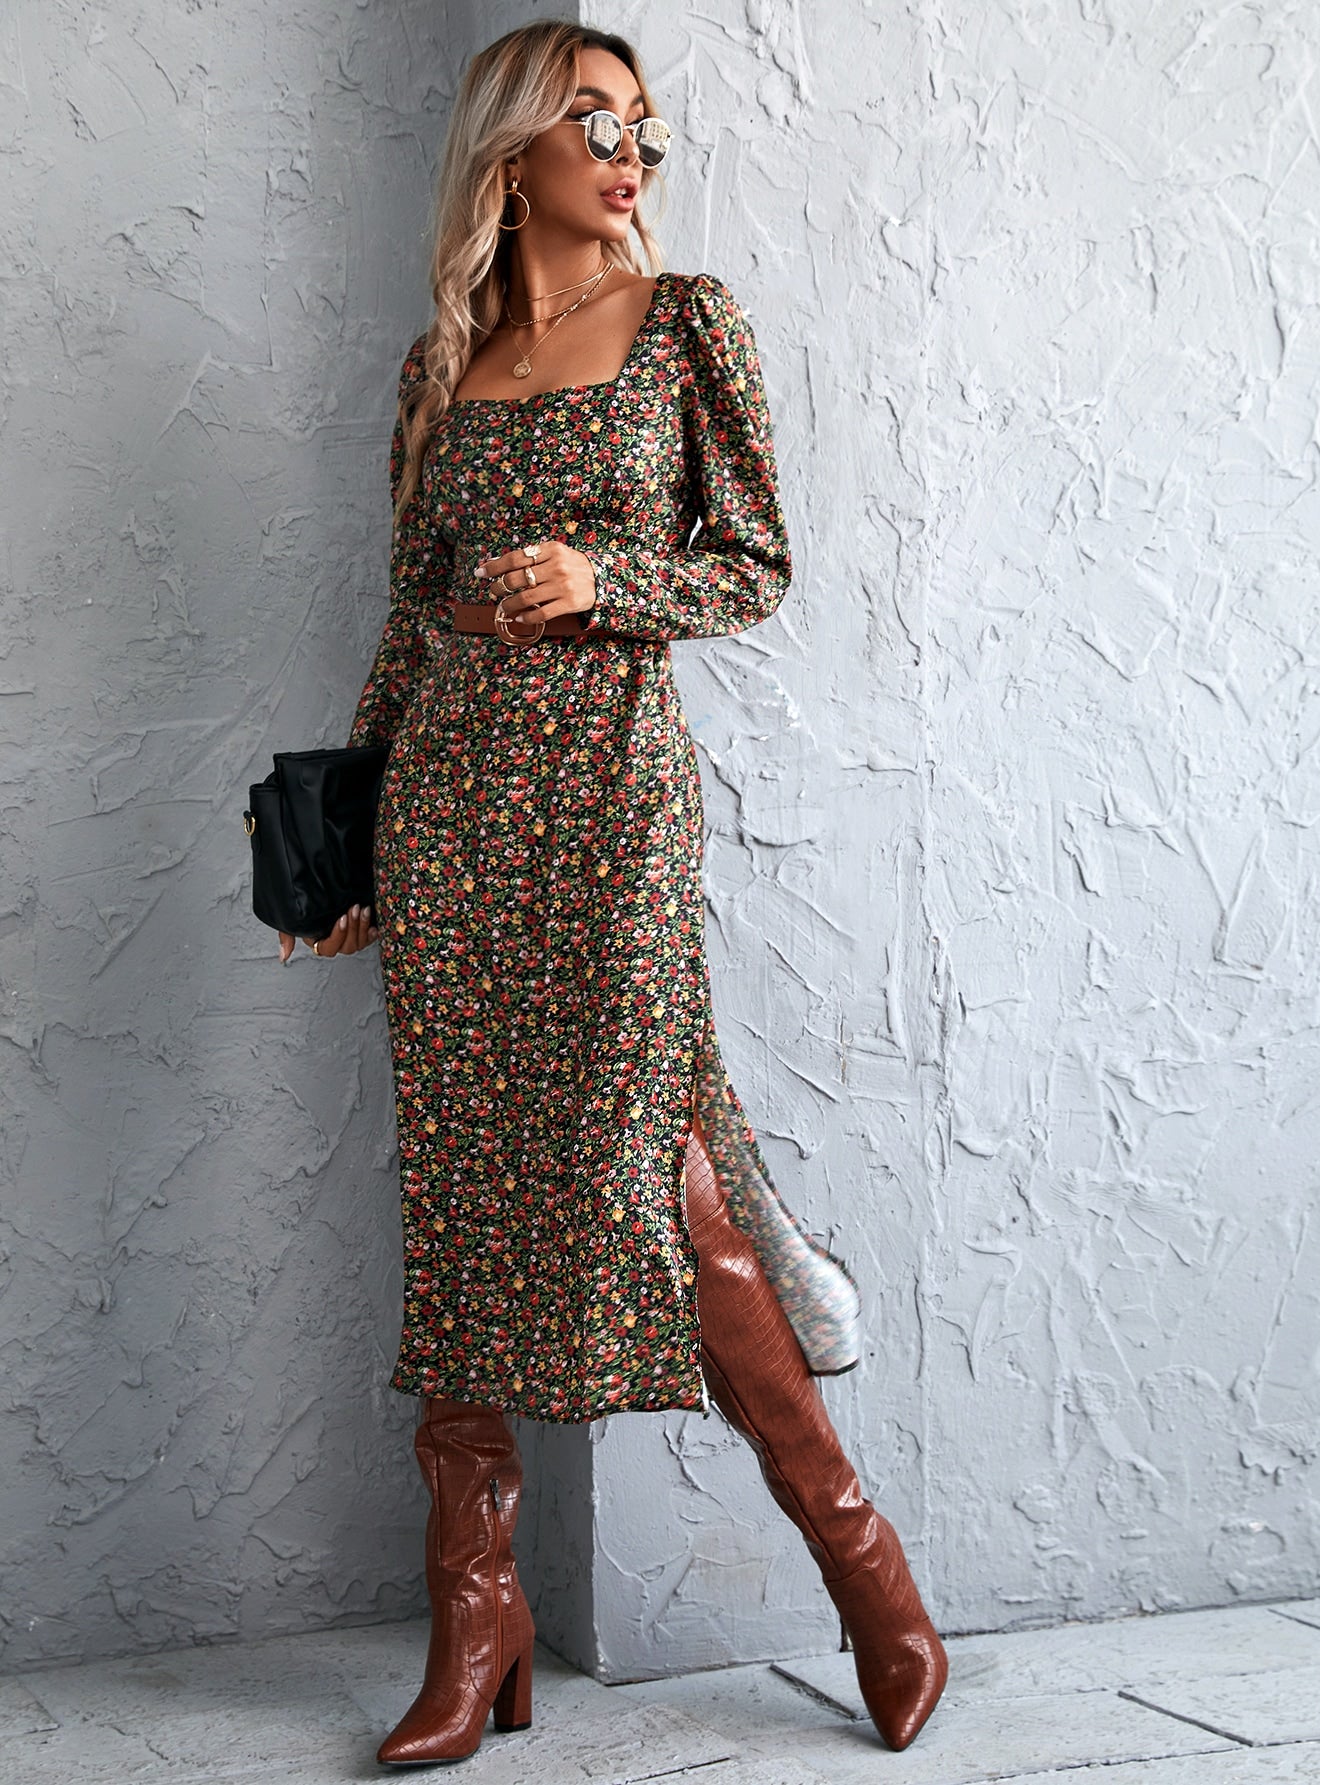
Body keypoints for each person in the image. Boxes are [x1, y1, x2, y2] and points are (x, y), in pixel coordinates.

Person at [277, 18, 948, 1767]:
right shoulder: (443, 365)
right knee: (460, 1196)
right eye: (596, 123)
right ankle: (475, 1614)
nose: (631, 153)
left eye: (645, 126)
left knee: (664, 1182)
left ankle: (867, 1571)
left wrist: (605, 577)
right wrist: (342, 852)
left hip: (608, 810)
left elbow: (757, 564)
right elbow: (405, 628)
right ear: (514, 151)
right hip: (450, 816)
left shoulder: (687, 323)